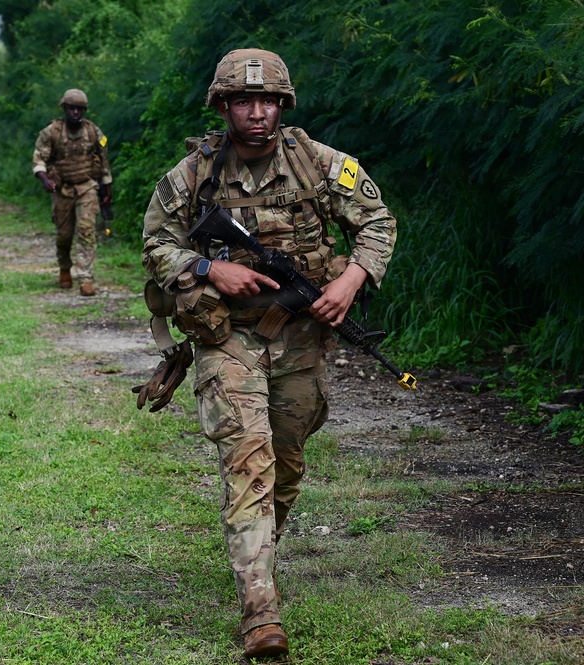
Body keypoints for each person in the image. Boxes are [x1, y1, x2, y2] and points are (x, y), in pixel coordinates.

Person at [139, 49, 397, 660]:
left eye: (268, 101)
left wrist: (351, 279)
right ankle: (260, 611)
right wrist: (210, 269)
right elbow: (155, 242)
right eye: (243, 101)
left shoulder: (320, 164)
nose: (257, 113)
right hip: (227, 338)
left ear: (283, 105)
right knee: (247, 463)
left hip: (301, 339)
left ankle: (258, 553)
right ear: (223, 106)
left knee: (285, 464)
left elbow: (377, 222)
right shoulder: (193, 175)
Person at [32, 89, 112, 296]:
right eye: (71, 108)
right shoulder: (52, 132)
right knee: (64, 235)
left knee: (86, 230)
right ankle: (64, 266)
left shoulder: (93, 132)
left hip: (87, 187)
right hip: (62, 189)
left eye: (79, 109)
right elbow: (39, 159)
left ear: (84, 110)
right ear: (65, 109)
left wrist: (107, 189)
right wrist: (45, 179)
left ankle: (86, 277)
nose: (75, 112)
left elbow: (103, 161)